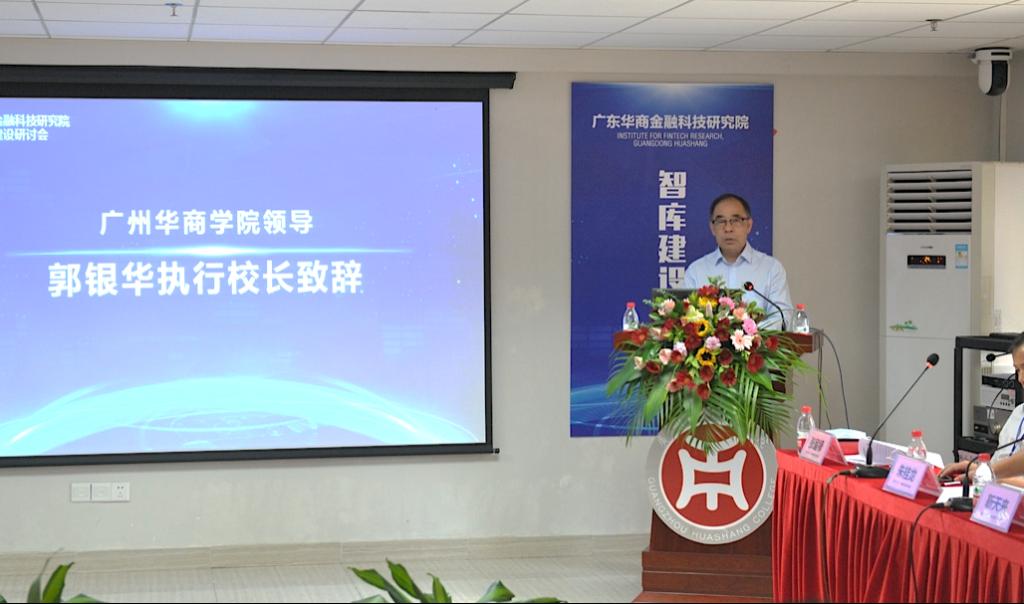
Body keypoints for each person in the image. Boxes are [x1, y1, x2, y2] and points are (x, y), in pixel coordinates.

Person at [683, 193, 793, 330]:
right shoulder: (696, 271)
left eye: (735, 220)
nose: (728, 229)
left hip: (759, 343)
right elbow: (686, 318)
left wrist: (749, 333)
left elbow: (783, 316)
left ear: (749, 225)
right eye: (721, 221)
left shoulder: (771, 268)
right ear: (712, 228)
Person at [940, 332, 1024, 487]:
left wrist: (987, 475)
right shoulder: (1018, 413)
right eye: (1018, 370)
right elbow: (1000, 464)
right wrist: (975, 468)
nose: (1021, 378)